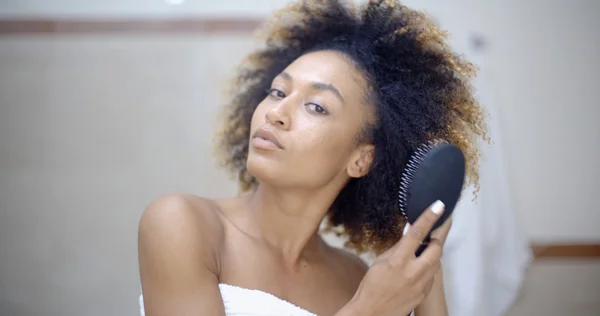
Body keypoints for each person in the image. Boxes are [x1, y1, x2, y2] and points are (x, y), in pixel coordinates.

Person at [137, 0, 488, 315]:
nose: (276, 112)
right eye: (277, 91)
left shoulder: (355, 278)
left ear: (361, 159)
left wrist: (427, 271)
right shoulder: (182, 225)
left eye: (316, 107)